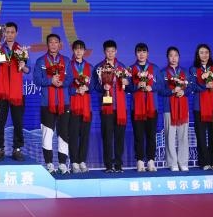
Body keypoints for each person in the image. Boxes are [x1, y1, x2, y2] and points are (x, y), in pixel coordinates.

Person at [0, 22, 30, 161]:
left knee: (18, 123)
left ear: (16, 33)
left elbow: (28, 70)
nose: (10, 34)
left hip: (16, 93)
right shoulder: (0, 48)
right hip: (1, 93)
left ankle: (17, 149)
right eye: (7, 32)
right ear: (3, 34)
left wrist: (23, 66)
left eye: (12, 32)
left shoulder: (21, 50)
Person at [34, 34, 72, 174]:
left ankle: (62, 164)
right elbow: (37, 80)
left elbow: (70, 79)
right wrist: (50, 81)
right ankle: (49, 164)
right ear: (47, 44)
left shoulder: (66, 61)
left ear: (60, 44)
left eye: (56, 42)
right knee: (47, 133)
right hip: (47, 103)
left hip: (64, 103)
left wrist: (62, 83)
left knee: (63, 133)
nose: (54, 44)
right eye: (51, 42)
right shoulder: (40, 61)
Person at [92, 40, 128, 172]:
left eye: (113, 51)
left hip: (120, 108)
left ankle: (118, 164)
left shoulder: (122, 67)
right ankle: (108, 165)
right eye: (108, 51)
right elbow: (94, 86)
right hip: (106, 107)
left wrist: (126, 82)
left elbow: (128, 86)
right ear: (104, 52)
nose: (110, 53)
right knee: (107, 136)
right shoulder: (99, 68)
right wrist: (103, 87)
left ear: (116, 51)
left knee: (119, 137)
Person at [126, 42, 161, 172]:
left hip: (152, 108)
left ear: (148, 53)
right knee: (138, 135)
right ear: (136, 54)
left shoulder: (154, 68)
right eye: (139, 52)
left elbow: (161, 86)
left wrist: (152, 87)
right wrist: (137, 86)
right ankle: (140, 160)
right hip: (136, 108)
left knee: (151, 135)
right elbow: (127, 87)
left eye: (144, 51)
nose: (141, 54)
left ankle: (151, 160)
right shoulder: (131, 69)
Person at [189, 44, 213, 170]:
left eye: (206, 52)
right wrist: (204, 86)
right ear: (198, 54)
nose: (204, 55)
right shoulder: (193, 69)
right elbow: (192, 86)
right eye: (201, 52)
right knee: (201, 136)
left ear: (209, 54)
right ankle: (204, 162)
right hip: (199, 107)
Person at [160, 46, 191, 172]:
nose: (173, 58)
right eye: (171, 55)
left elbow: (190, 88)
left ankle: (183, 162)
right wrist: (172, 91)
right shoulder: (163, 72)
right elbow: (160, 90)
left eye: (176, 55)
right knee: (170, 136)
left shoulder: (185, 72)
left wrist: (184, 92)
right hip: (169, 108)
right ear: (167, 57)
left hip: (183, 107)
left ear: (179, 57)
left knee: (183, 136)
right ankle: (172, 162)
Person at [67, 40, 94, 173]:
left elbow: (94, 86)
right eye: (76, 49)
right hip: (73, 105)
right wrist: (75, 90)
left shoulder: (90, 67)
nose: (78, 51)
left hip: (86, 107)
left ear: (84, 51)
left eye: (81, 49)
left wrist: (87, 88)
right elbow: (65, 85)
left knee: (84, 135)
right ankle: (74, 162)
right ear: (73, 50)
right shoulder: (68, 66)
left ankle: (82, 160)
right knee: (73, 135)